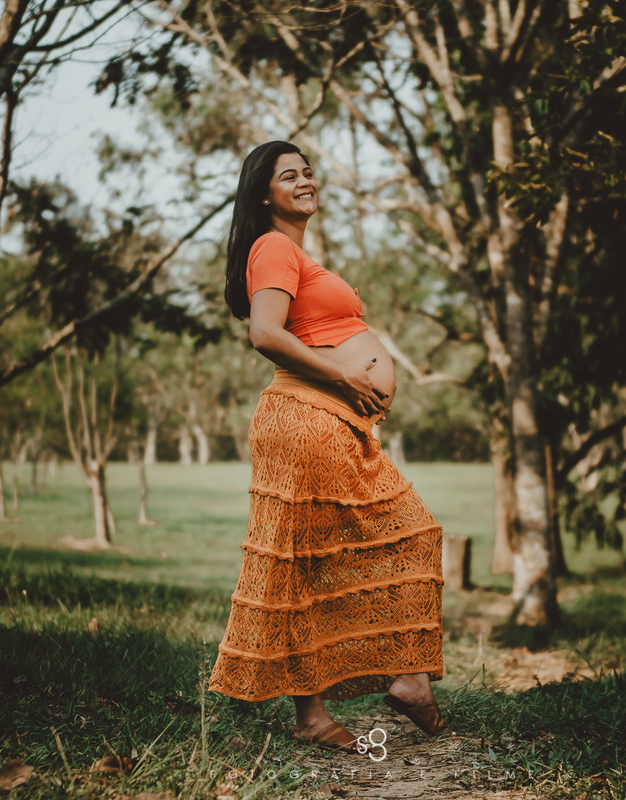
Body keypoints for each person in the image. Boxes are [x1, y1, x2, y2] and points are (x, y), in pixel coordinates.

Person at [207, 141, 447, 752]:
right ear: (264, 194)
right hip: (305, 420)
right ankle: (368, 695)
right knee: (370, 546)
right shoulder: (274, 247)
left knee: (323, 562)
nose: (304, 180)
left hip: (327, 422)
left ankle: (384, 688)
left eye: (307, 171)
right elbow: (265, 333)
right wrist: (345, 376)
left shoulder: (293, 252)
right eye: (288, 175)